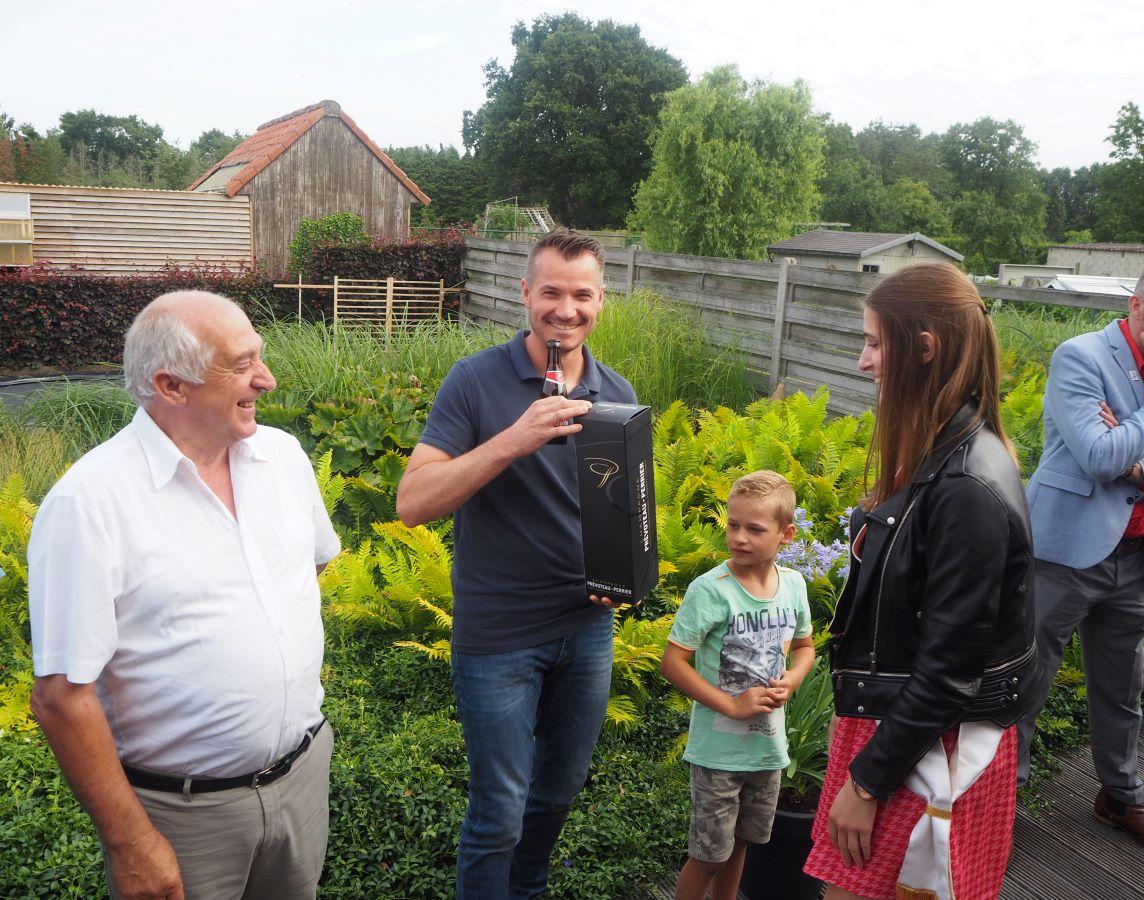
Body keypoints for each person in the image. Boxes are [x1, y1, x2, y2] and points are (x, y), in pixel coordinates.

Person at [28, 291, 341, 899]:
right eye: (241, 364)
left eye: (261, 356)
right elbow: (62, 698)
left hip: (302, 777)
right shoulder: (90, 503)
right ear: (172, 387)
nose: (267, 379)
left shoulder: (282, 457)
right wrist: (132, 843)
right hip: (183, 815)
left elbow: (312, 569)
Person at [394, 227, 637, 899]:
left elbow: (622, 511)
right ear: (525, 292)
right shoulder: (476, 380)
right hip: (499, 633)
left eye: (582, 294)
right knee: (499, 812)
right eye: (552, 291)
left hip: (586, 631)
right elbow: (413, 502)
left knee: (555, 795)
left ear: (602, 300)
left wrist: (623, 575)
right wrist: (512, 439)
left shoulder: (617, 392)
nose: (567, 309)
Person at [803, 262, 1039, 900]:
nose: (863, 361)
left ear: (924, 347)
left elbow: (950, 670)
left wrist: (867, 783)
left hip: (928, 751)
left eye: (876, 342)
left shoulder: (965, 485)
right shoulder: (940, 452)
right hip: (898, 729)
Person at [1016, 258, 1144, 864]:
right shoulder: (1081, 358)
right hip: (1064, 553)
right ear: (1138, 307)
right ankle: (998, 804)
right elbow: (1097, 458)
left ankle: (1121, 798)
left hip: (1138, 556)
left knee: (1123, 691)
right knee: (1027, 683)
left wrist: (1141, 464)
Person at [661, 470, 815, 900]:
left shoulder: (794, 587)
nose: (739, 537)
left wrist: (793, 678)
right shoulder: (710, 590)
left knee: (742, 844)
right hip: (718, 753)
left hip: (767, 750)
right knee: (709, 854)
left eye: (754, 529)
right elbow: (673, 663)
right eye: (733, 525)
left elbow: (805, 647)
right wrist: (731, 706)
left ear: (786, 534)